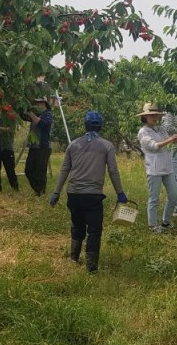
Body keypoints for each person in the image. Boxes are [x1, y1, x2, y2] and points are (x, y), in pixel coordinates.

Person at [49, 111, 128, 273]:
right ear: (101, 126)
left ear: (85, 125)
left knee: (77, 225)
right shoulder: (107, 146)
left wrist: (56, 193)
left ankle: (73, 258)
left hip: (74, 194)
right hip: (92, 195)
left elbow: (65, 169)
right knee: (94, 229)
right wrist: (120, 192)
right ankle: (91, 268)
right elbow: (113, 170)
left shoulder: (74, 144)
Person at [136, 102, 177, 233]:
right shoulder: (143, 132)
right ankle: (152, 225)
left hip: (167, 166)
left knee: (173, 195)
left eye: (156, 114)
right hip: (154, 168)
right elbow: (154, 146)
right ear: (145, 117)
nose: (154, 117)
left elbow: (168, 140)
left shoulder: (161, 129)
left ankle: (166, 221)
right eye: (151, 115)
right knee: (154, 197)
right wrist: (170, 139)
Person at [160, 110, 177, 217]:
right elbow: (166, 127)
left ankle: (176, 208)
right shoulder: (172, 110)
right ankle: (175, 209)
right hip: (174, 147)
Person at [24, 97, 53, 196]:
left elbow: (42, 123)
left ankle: (40, 192)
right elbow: (23, 116)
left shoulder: (48, 115)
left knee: (40, 172)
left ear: (43, 104)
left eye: (38, 103)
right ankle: (38, 189)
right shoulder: (36, 115)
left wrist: (31, 114)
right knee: (28, 170)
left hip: (43, 148)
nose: (36, 105)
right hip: (33, 147)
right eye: (35, 103)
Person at [0, 117, 19, 192]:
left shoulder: (10, 115)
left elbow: (11, 129)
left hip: (7, 148)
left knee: (10, 170)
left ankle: (15, 189)